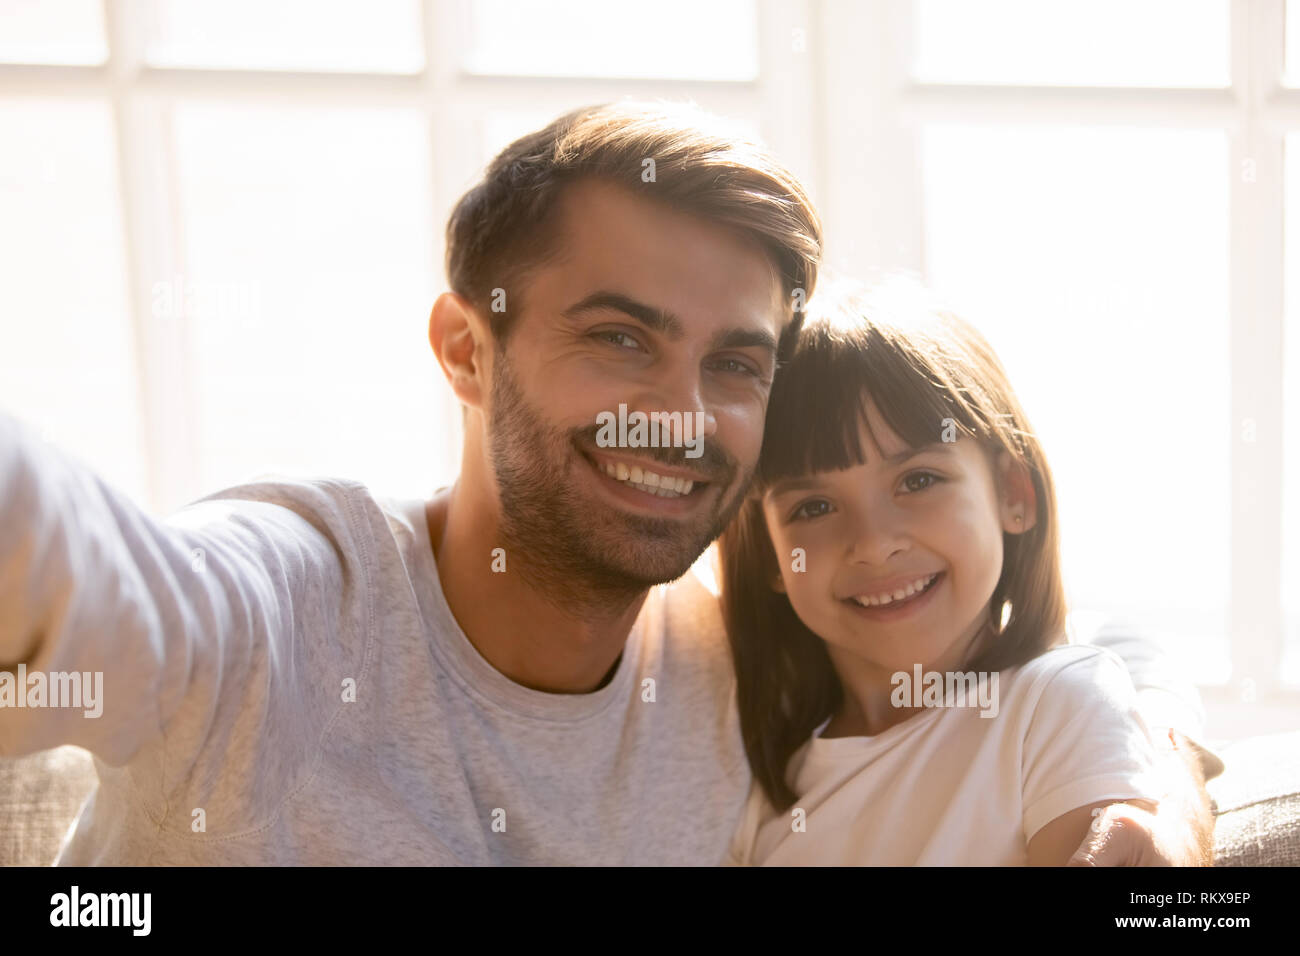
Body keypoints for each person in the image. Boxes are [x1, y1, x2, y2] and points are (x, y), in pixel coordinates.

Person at [0, 101, 1216, 865]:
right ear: (466, 349)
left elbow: (1062, 667)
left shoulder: (737, 673)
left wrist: (1146, 769)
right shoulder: (288, 602)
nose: (680, 415)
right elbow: (103, 577)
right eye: (620, 337)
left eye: (733, 361)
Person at [720, 278, 1206, 865]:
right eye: (814, 507)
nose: (873, 546)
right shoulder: (762, 792)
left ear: (1013, 493)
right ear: (772, 555)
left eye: (918, 480)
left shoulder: (1058, 705)